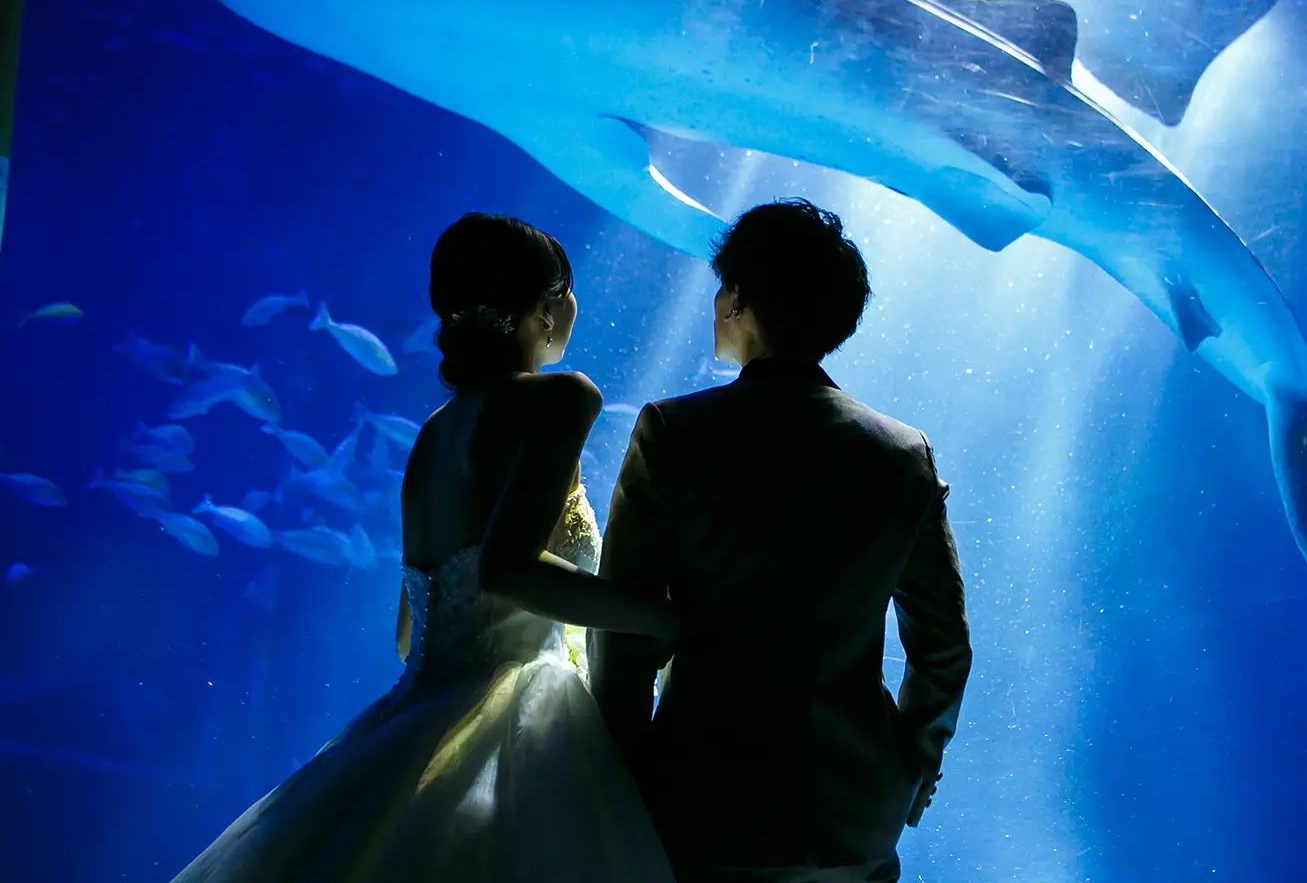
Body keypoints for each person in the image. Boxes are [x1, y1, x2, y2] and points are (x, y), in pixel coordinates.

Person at [173, 213, 679, 882]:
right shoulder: (562, 398)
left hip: (408, 719)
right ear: (547, 304)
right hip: (516, 722)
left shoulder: (435, 433)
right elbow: (508, 570)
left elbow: (412, 635)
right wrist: (663, 618)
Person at [591, 198, 973, 883]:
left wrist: (623, 771)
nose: (714, 303)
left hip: (702, 799)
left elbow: (622, 629)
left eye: (722, 288)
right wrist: (911, 763)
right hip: (854, 812)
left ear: (739, 298)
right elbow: (942, 644)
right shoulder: (902, 453)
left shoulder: (674, 433)